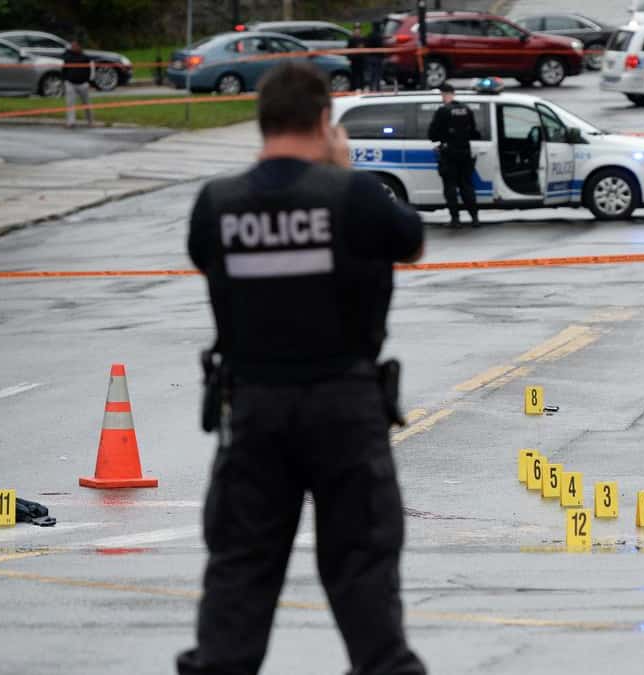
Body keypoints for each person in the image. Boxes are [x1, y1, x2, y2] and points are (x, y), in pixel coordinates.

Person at [177, 61, 427, 675]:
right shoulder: (355, 196)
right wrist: (341, 173)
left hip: (253, 407)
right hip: (343, 405)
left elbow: (208, 260)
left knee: (240, 565)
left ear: (260, 123)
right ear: (324, 120)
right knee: (362, 563)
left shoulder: (218, 203)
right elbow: (411, 240)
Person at [427, 83, 480, 228]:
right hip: (465, 152)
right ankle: (474, 218)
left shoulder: (443, 111)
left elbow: (432, 135)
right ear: (454, 93)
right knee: (467, 186)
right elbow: (474, 132)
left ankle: (455, 219)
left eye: (442, 95)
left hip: (449, 153)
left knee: (450, 187)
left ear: (444, 94)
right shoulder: (467, 109)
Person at [61, 40, 93, 128]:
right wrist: (64, 80)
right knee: (70, 103)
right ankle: (71, 122)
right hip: (70, 83)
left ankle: (90, 122)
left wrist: (89, 82)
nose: (73, 48)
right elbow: (64, 67)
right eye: (72, 46)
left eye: (75, 46)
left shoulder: (85, 57)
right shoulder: (68, 57)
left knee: (87, 104)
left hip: (83, 83)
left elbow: (90, 70)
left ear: (79, 47)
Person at [364, 20, 385, 92]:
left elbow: (365, 46)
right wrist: (383, 56)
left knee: (371, 74)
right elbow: (382, 47)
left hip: (369, 57)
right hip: (378, 58)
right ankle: (378, 88)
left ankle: (371, 87)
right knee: (377, 74)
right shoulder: (379, 36)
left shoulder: (368, 36)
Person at [348, 22, 367, 91]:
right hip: (354, 59)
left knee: (361, 74)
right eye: (356, 28)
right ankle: (353, 88)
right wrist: (349, 58)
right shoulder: (351, 39)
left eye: (358, 28)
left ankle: (361, 87)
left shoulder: (363, 38)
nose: (357, 30)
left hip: (361, 59)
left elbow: (366, 48)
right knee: (354, 75)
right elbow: (348, 49)